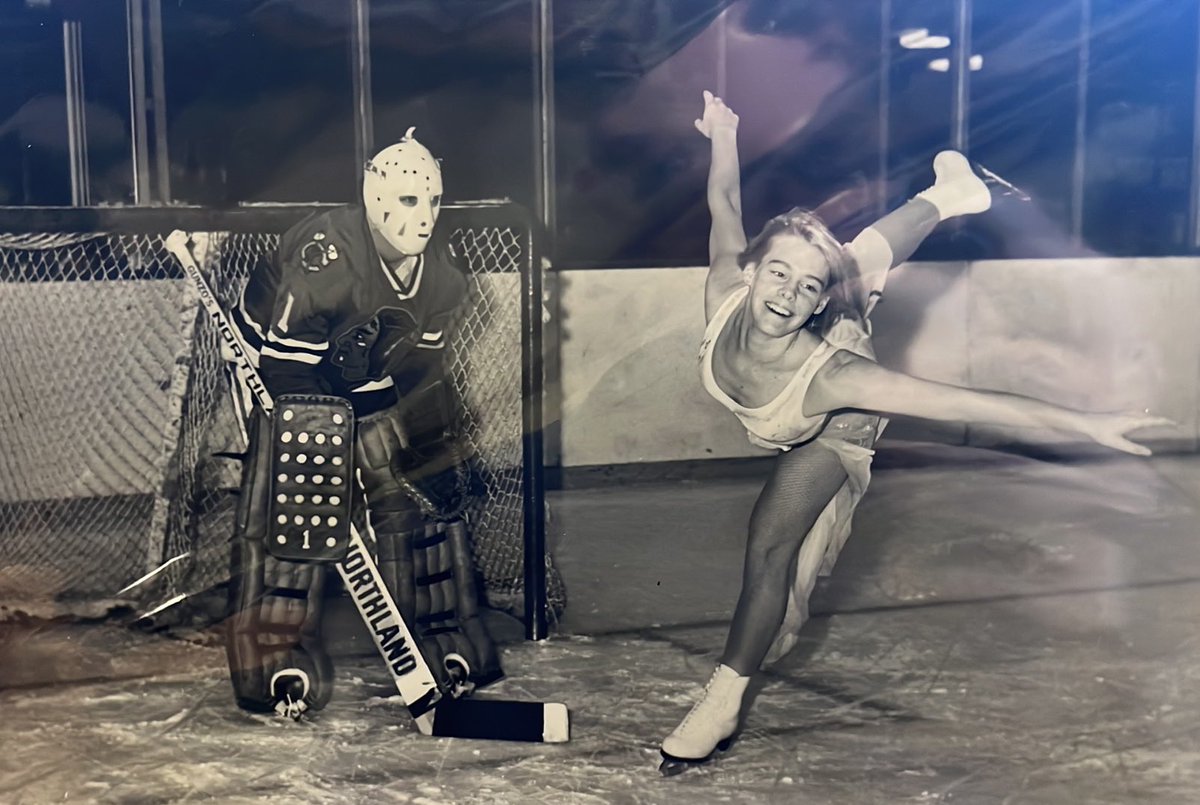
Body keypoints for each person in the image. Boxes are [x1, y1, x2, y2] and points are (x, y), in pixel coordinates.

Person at [659, 92, 1170, 770]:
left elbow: (963, 400)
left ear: (814, 303)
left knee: (770, 546)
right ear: (750, 271)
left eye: (804, 288)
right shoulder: (726, 291)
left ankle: (720, 702)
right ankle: (949, 193)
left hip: (832, 422)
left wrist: (1088, 424)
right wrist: (725, 132)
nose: (785, 294)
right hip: (818, 355)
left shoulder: (838, 378)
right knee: (851, 262)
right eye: (776, 273)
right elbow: (725, 204)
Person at [224, 128, 502, 719]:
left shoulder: (445, 280)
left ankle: (442, 636)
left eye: (432, 201)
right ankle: (273, 655)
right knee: (299, 494)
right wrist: (336, 441)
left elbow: (420, 376)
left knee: (418, 492)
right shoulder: (327, 257)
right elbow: (287, 368)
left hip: (359, 374)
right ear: (375, 198)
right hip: (278, 359)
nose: (424, 216)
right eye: (408, 200)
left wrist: (416, 447)